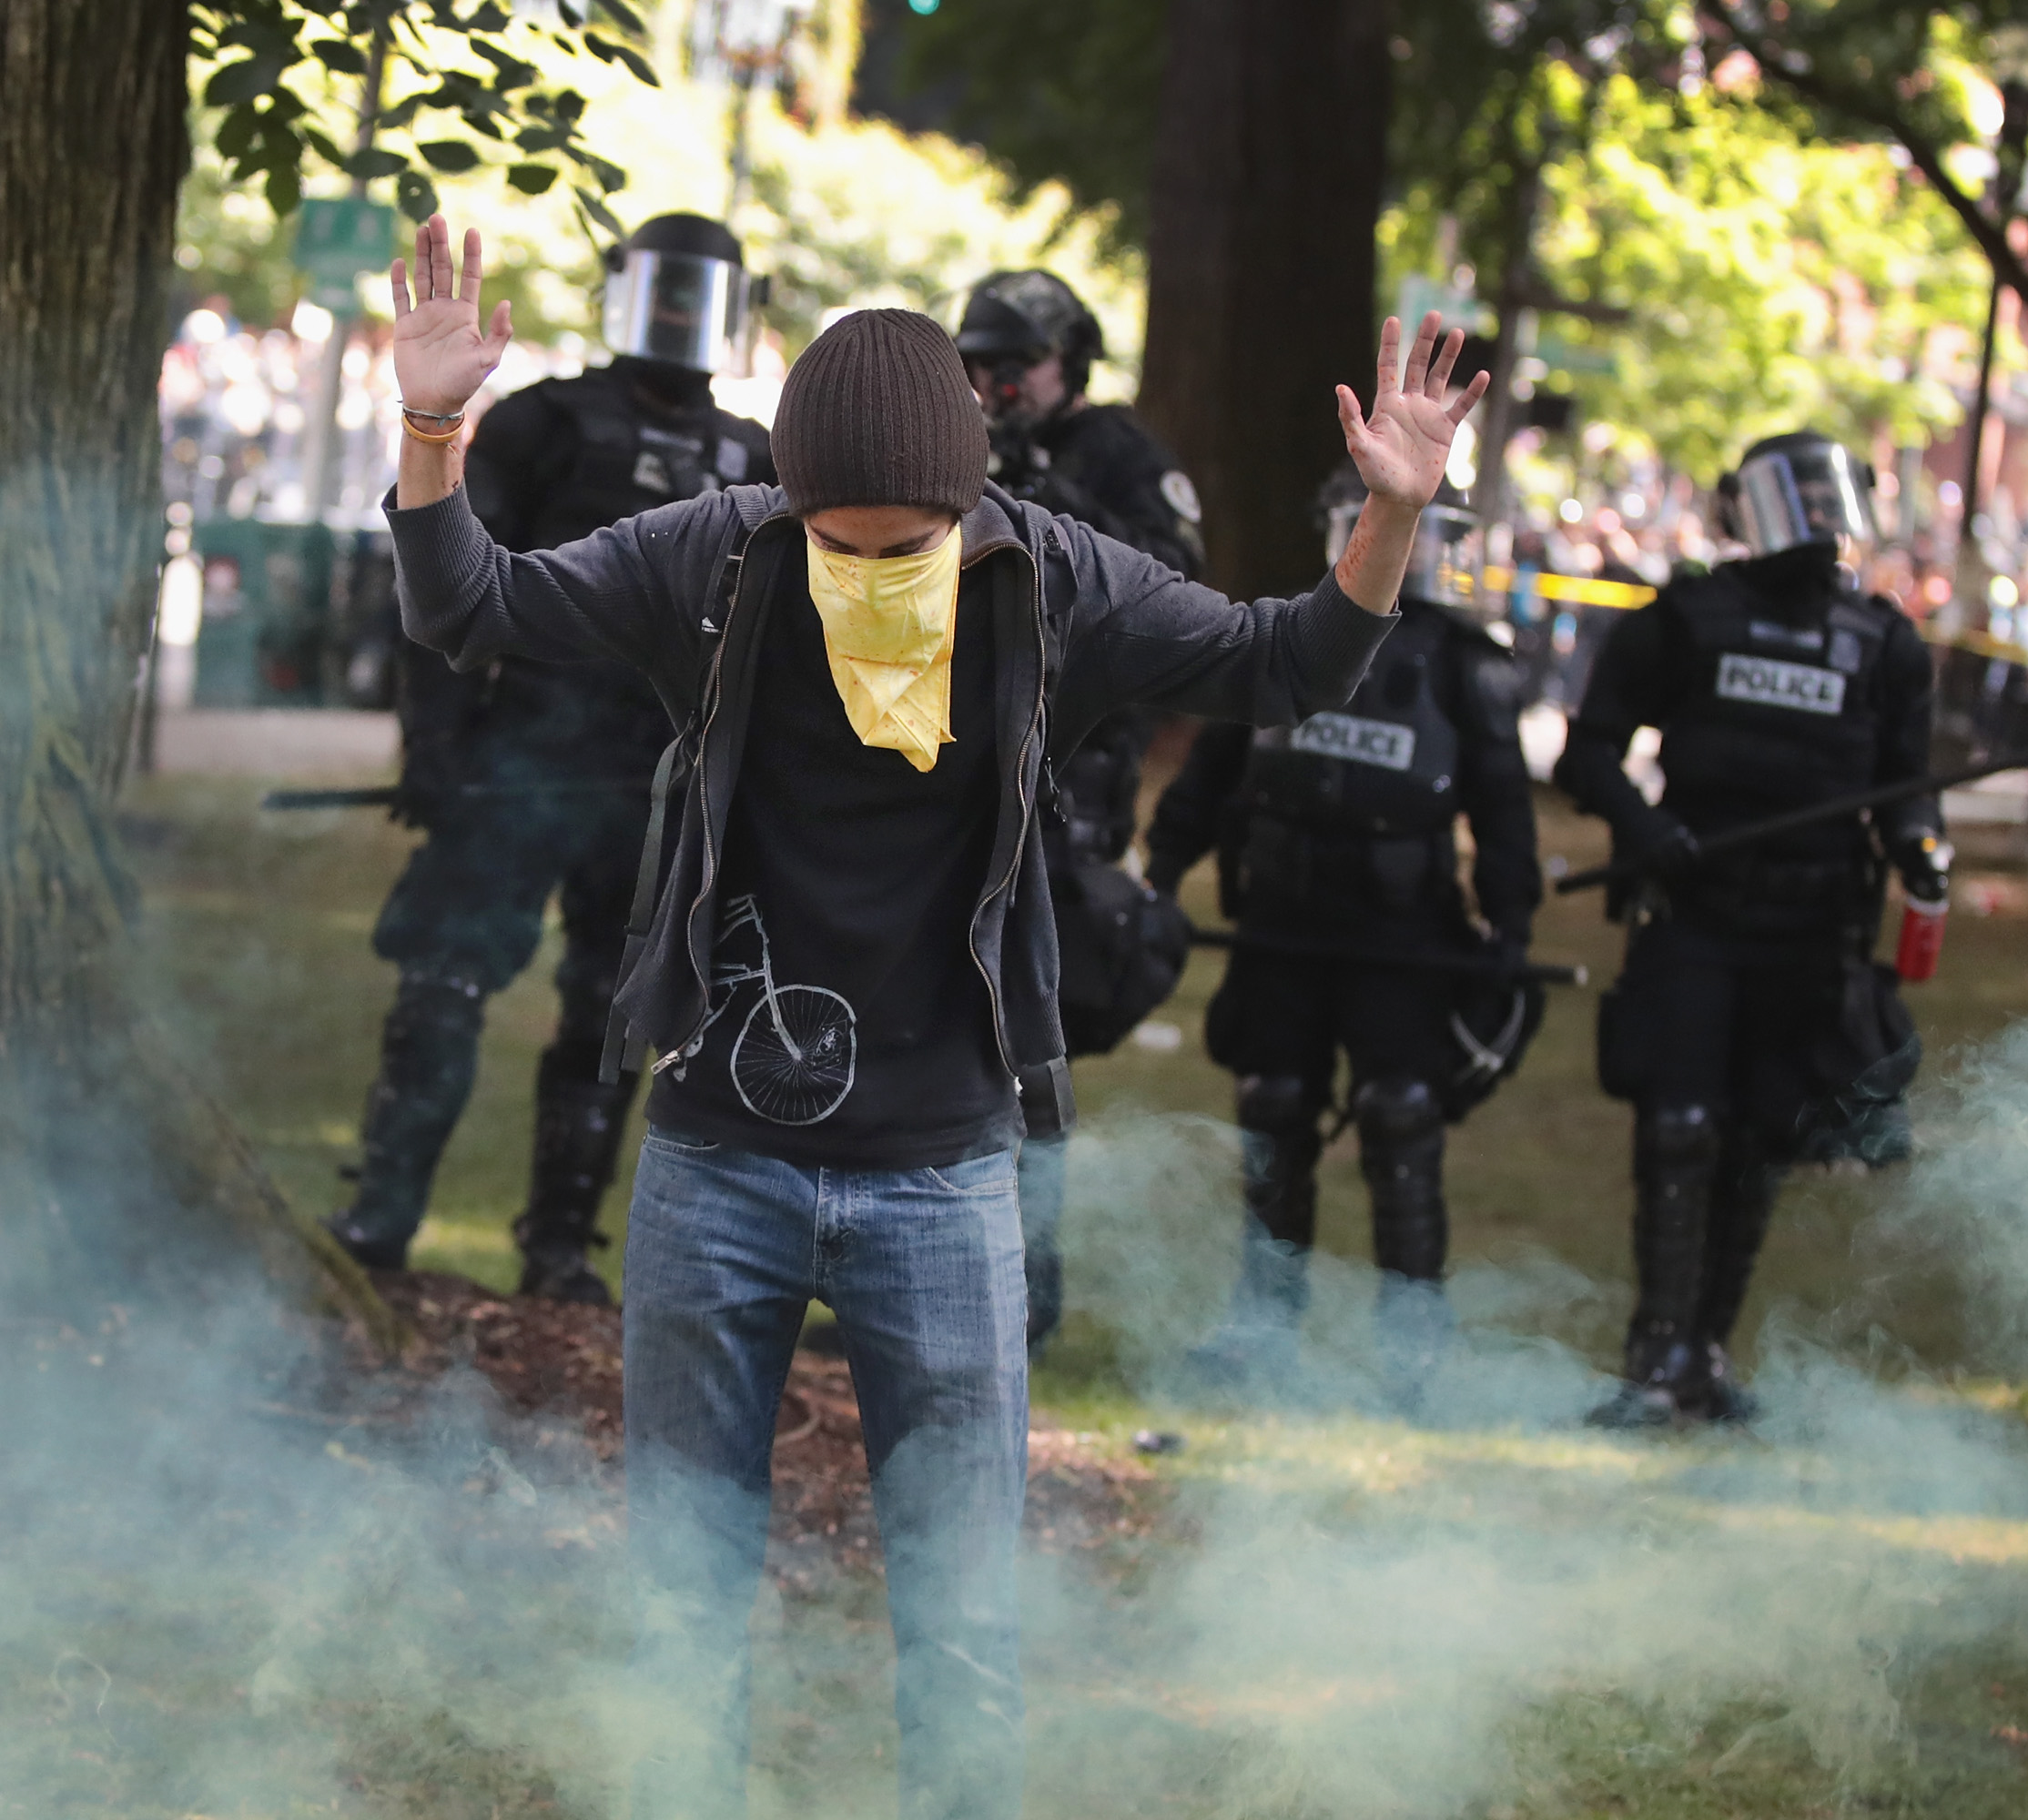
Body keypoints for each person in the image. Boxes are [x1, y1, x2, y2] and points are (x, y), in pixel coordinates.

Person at [381, 214, 1486, 1819]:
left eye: (915, 546)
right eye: (847, 539)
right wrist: (430, 433)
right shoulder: (716, 552)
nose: (879, 570)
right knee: (682, 1605)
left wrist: (1388, 515)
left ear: (973, 508)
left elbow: (1285, 663)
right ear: (788, 501)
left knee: (965, 1629)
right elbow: (467, 609)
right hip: (717, 1165)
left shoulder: (1052, 576)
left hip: (946, 1178)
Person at [325, 213, 775, 1303]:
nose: (675, 313)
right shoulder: (546, 422)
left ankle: (560, 1247)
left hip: (660, 784)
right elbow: (438, 580)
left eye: (694, 294)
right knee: (444, 981)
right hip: (515, 762)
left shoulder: (759, 458)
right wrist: (436, 742)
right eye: (661, 290)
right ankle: (382, 1213)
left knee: (613, 1015)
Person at [1556, 430, 1943, 1428]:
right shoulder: (1686, 620)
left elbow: (1905, 792)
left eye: (1831, 497)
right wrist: (1650, 831)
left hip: (1813, 932)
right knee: (1682, 1128)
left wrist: (1920, 855)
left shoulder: (1887, 644)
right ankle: (1654, 1358)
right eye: (1796, 497)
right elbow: (1589, 753)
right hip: (1697, 916)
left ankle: (1706, 1356)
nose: (1817, 519)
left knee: (1761, 1140)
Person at [1142, 485, 1540, 1408]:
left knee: (1401, 1117)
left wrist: (1510, 927)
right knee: (1272, 1108)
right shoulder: (1290, 635)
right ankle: (1265, 1324)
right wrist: (1161, 870)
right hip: (1281, 925)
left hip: (1402, 938)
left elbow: (1506, 810)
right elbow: (1214, 768)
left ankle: (1413, 1347)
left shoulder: (1462, 663)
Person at [955, 269, 1204, 1355]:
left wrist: (1049, 487)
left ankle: (1027, 1287)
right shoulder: (953, 438)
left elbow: (1175, 592)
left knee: (1027, 1050)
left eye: (1014, 366)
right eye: (977, 365)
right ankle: (945, 1274)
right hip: (958, 775)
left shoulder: (1120, 454)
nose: (994, 386)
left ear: (1070, 366)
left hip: (1070, 795)